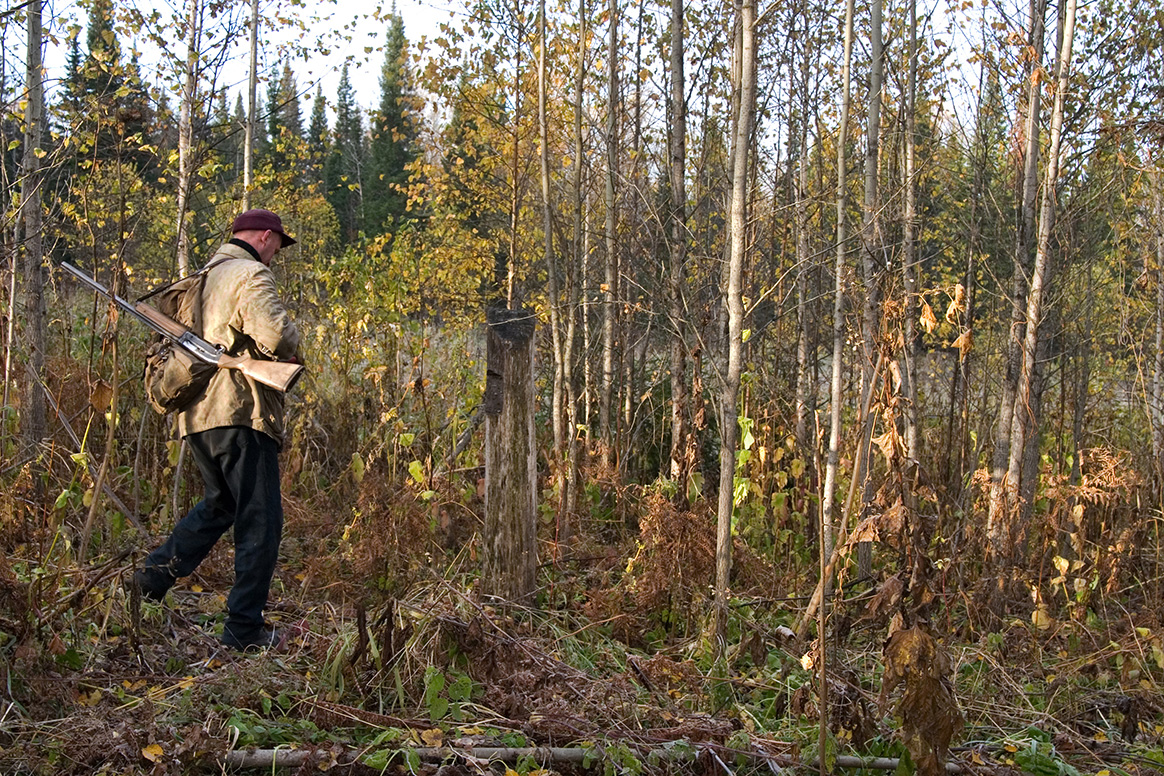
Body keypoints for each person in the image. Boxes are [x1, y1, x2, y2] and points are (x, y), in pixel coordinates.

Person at [132, 208, 301, 651]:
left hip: (197, 418)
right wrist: (292, 350)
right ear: (266, 237)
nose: (276, 257)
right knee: (260, 522)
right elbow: (278, 335)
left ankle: (147, 583)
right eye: (278, 247)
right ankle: (244, 631)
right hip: (242, 413)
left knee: (220, 504)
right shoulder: (250, 275)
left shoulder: (200, 278)